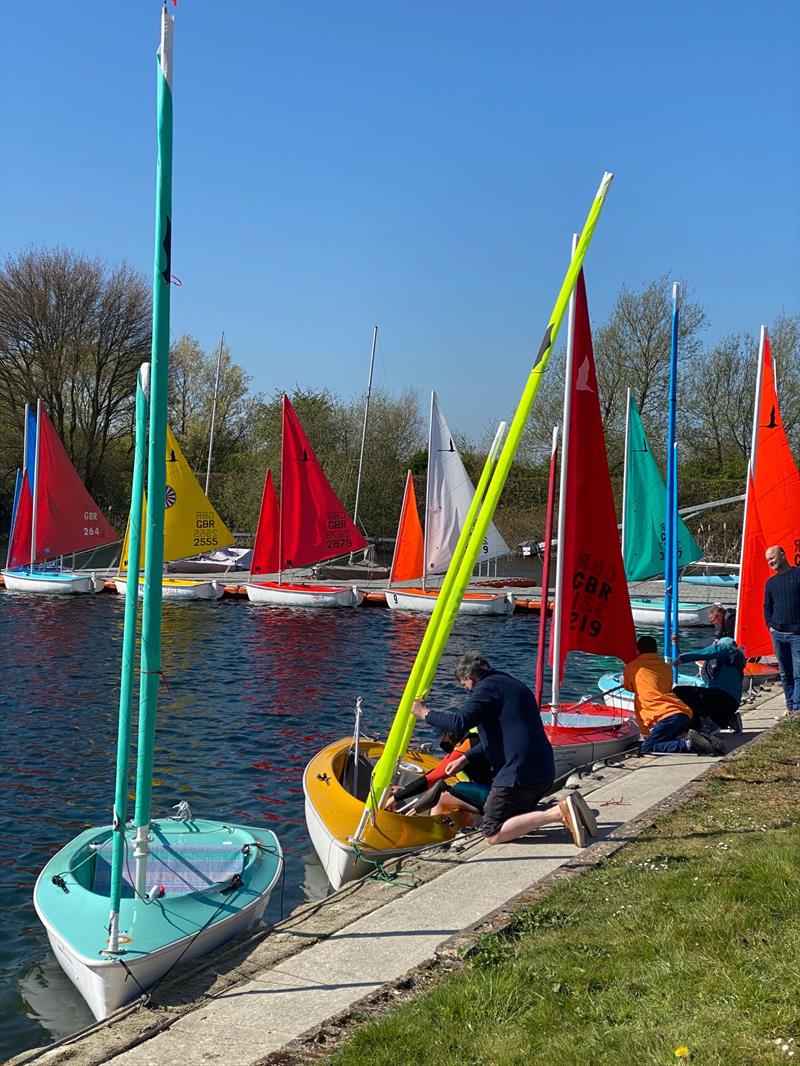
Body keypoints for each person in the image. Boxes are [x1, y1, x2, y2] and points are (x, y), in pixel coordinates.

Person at [409, 652, 596, 847]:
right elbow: (504, 735)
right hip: (542, 769)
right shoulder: (510, 684)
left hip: (518, 774)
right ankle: (572, 808)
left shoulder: (486, 688)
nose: (469, 693)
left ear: (471, 679)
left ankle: (558, 812)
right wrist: (466, 757)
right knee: (515, 816)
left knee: (492, 830)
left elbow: (459, 723)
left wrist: (425, 713)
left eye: (466, 688)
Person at [622, 635, 724, 756]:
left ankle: (689, 744)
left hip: (665, 715)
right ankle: (700, 740)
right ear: (656, 650)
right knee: (663, 740)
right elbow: (667, 687)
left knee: (648, 747)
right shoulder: (666, 667)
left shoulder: (631, 667)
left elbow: (629, 687)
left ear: (637, 651)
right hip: (682, 711)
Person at [384, 729, 493, 820]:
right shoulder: (467, 741)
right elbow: (435, 772)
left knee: (442, 796)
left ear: (450, 735)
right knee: (442, 788)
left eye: (443, 739)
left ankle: (432, 837)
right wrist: (404, 790)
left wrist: (395, 798)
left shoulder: (469, 744)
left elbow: (432, 778)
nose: (442, 744)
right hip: (489, 791)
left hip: (494, 797)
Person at [673, 636, 745, 734]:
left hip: (721, 698)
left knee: (680, 692)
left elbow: (707, 652)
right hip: (733, 703)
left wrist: (682, 658)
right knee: (704, 697)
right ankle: (729, 719)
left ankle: (706, 725)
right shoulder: (737, 660)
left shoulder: (725, 648)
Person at [764, 544, 800, 715]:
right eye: (768, 560)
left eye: (772, 557)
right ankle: (790, 706)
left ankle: (797, 707)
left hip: (796, 634)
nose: (770, 561)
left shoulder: (798, 574)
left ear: (783, 554)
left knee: (798, 673)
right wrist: (770, 624)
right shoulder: (771, 583)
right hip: (778, 634)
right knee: (785, 674)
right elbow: (767, 607)